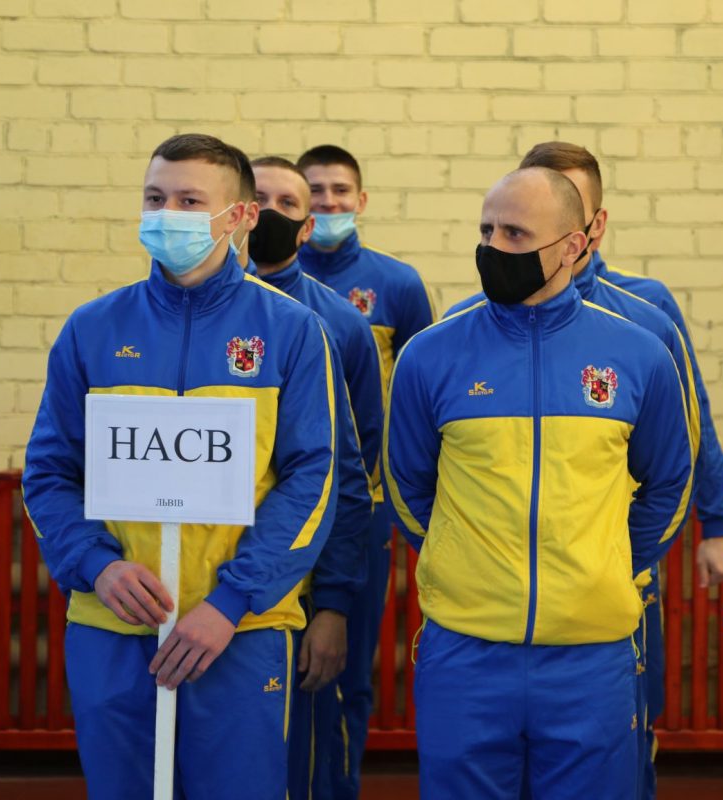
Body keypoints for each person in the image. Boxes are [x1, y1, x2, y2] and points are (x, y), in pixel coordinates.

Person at [22, 133, 339, 800]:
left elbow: (312, 480)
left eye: (190, 201)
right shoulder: (92, 328)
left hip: (242, 630)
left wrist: (231, 601)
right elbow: (49, 473)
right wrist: (98, 566)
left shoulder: (292, 331)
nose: (167, 214)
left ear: (241, 216)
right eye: (155, 198)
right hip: (114, 625)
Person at [385, 167, 695, 799]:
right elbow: (407, 485)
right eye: (486, 230)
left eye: (516, 233)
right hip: (466, 652)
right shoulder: (430, 354)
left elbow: (670, 483)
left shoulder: (639, 354)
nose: (493, 247)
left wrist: (605, 566)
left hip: (592, 656)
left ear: (573, 246)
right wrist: (465, 559)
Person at [231, 151, 382, 800]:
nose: (272, 213)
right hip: (219, 575)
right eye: (260, 200)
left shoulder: (339, 324)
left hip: (310, 576)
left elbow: (356, 474)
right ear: (239, 214)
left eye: (287, 204)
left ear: (306, 224)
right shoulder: (198, 312)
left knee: (318, 734)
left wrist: (334, 603)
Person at [294, 144, 435, 796]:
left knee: (342, 673)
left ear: (362, 200)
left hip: (362, 509)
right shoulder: (260, 280)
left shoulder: (396, 285)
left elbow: (422, 399)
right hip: (274, 505)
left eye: (340, 191)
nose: (328, 203)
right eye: (314, 192)